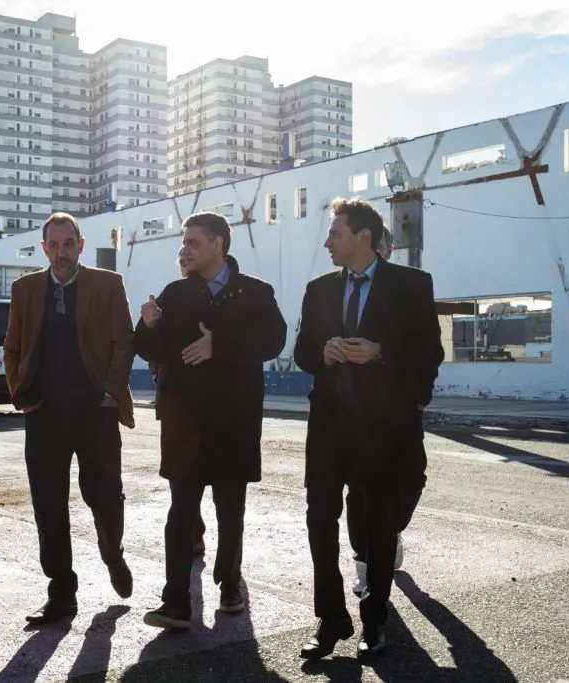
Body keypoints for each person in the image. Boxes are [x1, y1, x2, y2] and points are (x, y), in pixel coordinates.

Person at [294, 197, 443, 659]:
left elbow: (429, 356)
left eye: (335, 233)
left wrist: (381, 354)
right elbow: (302, 353)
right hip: (328, 426)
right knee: (320, 518)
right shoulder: (318, 289)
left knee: (379, 524)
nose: (327, 242)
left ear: (364, 237)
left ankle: (374, 618)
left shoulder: (412, 285)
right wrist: (326, 350)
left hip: (383, 429)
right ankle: (330, 617)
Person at [135, 211, 287, 630]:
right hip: (184, 422)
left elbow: (275, 340)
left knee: (229, 509)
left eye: (193, 242)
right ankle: (176, 601)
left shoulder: (255, 293)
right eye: (184, 242)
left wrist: (218, 344)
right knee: (181, 511)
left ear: (218, 243)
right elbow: (153, 348)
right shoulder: (176, 292)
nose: (185, 248)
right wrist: (147, 325)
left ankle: (230, 583)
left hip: (233, 421)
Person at [4, 211, 136, 626]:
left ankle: (112, 554)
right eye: (54, 246)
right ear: (44, 249)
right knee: (48, 506)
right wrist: (21, 394)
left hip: (95, 413)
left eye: (68, 243)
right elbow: (12, 348)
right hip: (43, 415)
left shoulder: (107, 283)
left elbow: (123, 342)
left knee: (105, 496)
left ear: (80, 243)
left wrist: (109, 393)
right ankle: (62, 592)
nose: (61, 253)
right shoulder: (25, 289)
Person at [346, 223, 408, 597]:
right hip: (354, 410)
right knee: (359, 491)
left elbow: (423, 349)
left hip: (400, 409)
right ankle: (366, 560)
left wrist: (382, 352)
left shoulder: (406, 287)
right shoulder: (338, 288)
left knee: (411, 479)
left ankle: (390, 529)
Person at [149, 249, 206, 556]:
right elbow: (152, 346)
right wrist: (152, 323)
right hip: (173, 403)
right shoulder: (172, 297)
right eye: (181, 259)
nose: (185, 262)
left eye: (188, 257)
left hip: (203, 402)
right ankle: (193, 532)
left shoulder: (209, 298)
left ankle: (223, 560)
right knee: (179, 477)